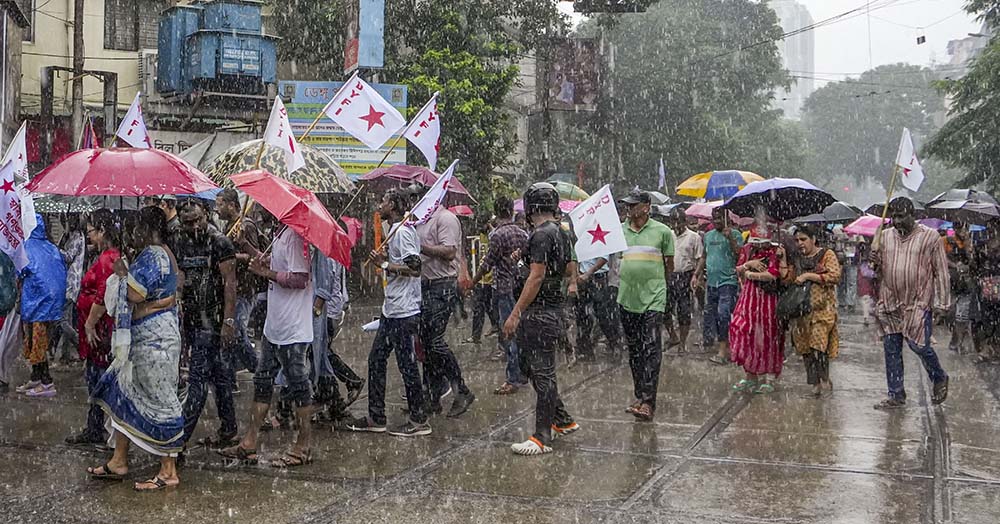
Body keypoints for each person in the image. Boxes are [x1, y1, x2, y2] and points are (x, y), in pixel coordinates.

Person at [86, 206, 184, 491]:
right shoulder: (163, 252)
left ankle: (168, 470)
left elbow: (133, 292)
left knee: (161, 400)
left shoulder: (154, 254)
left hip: (154, 343)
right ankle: (119, 459)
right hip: (149, 339)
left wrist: (120, 272)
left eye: (138, 227)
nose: (134, 232)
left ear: (149, 229)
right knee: (123, 394)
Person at [219, 214, 315, 467]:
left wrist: (265, 272)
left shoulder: (295, 236)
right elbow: (275, 261)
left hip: (293, 327)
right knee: (262, 381)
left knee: (298, 384)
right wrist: (248, 248)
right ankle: (249, 441)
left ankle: (303, 445)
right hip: (275, 326)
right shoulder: (281, 232)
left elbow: (299, 278)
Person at [503, 183, 579, 455]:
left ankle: (541, 436)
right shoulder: (559, 232)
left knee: (542, 372)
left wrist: (515, 313)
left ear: (531, 206)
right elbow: (570, 266)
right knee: (532, 368)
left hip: (539, 312)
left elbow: (536, 277)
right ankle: (560, 419)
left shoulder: (542, 236)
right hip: (550, 311)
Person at [347, 189, 431, 436]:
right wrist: (384, 259)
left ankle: (418, 420)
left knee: (406, 366)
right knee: (376, 360)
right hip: (392, 309)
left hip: (403, 311)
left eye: (383, 201)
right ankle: (377, 417)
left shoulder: (403, 232)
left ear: (393, 205)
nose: (379, 204)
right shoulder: (394, 231)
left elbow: (415, 268)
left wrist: (383, 264)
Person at [871, 197, 950, 410]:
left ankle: (939, 376)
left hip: (918, 301)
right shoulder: (884, 237)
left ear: (912, 215)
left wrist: (943, 304)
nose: (896, 221)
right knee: (891, 348)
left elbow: (941, 272)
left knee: (919, 345)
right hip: (889, 301)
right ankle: (896, 394)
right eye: (893, 216)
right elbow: (876, 271)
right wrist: (874, 262)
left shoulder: (930, 237)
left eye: (900, 216)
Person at [174, 200, 239, 449]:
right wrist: (178, 298)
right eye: (187, 222)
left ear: (206, 215)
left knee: (198, 381)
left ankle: (179, 440)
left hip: (213, 320)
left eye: (198, 220)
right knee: (219, 377)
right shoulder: (181, 239)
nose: (194, 226)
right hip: (192, 318)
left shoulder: (220, 241)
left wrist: (229, 322)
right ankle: (229, 429)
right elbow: (180, 274)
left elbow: (230, 283)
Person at [413, 189, 476, 417]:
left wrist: (419, 247)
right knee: (426, 345)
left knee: (434, 341)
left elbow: (449, 252)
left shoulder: (445, 218)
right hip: (424, 286)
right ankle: (432, 396)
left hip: (442, 286)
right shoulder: (420, 221)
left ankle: (462, 389)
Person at [65, 210, 122, 447]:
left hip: (99, 329)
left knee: (98, 378)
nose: (89, 237)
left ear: (102, 231)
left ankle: (97, 427)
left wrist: (90, 323)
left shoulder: (108, 259)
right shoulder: (112, 257)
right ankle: (96, 425)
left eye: (91, 232)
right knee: (98, 377)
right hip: (102, 327)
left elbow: (104, 294)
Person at [617, 189, 674, 421]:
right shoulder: (620, 231)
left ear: (646, 207)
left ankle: (649, 401)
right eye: (627, 205)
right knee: (635, 350)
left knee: (651, 348)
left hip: (653, 298)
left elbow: (669, 265)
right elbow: (605, 253)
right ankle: (640, 395)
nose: (629, 209)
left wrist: (661, 288)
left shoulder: (663, 232)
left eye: (633, 205)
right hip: (627, 298)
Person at [465, 196, 530, 394]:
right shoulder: (523, 233)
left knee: (508, 332)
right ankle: (523, 372)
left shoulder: (497, 235)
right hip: (521, 288)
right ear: (510, 210)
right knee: (519, 331)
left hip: (504, 289)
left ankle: (513, 378)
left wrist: (472, 282)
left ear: (496, 211)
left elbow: (487, 264)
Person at [785, 224, 841, 398]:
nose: (800, 243)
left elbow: (835, 276)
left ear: (813, 239)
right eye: (797, 240)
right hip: (801, 312)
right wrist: (782, 260)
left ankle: (824, 379)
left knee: (818, 347)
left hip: (822, 311)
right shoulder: (796, 259)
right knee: (806, 350)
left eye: (803, 239)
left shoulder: (826, 255)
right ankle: (815, 384)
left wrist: (810, 276)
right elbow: (788, 279)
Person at [311, 246, 365, 426]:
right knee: (319, 356)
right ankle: (330, 400)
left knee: (321, 354)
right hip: (333, 308)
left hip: (329, 311)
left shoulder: (326, 252)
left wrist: (317, 306)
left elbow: (327, 283)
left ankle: (350, 382)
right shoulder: (334, 250)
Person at [15, 214, 67, 398]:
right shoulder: (52, 248)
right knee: (39, 343)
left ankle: (47, 382)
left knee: (37, 344)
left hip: (36, 303)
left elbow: (20, 272)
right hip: (51, 304)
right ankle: (36, 376)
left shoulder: (26, 248)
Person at [215, 189, 265, 373]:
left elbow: (256, 257)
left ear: (231, 205)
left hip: (244, 288)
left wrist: (233, 255)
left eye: (220, 204)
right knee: (229, 336)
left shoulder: (246, 226)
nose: (217, 209)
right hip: (231, 287)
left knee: (236, 333)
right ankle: (227, 375)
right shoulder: (228, 226)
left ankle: (259, 370)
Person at [729, 233, 783, 394]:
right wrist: (748, 265)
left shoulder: (776, 251)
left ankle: (769, 377)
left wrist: (751, 274)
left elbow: (773, 275)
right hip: (749, 298)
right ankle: (750, 375)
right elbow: (738, 270)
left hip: (768, 300)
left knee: (769, 335)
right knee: (745, 332)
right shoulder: (747, 249)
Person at [694, 207, 743, 365]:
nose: (716, 221)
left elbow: (741, 256)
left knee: (724, 314)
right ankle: (724, 346)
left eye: (720, 218)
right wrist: (696, 275)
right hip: (712, 282)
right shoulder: (708, 236)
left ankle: (724, 350)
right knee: (713, 314)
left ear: (727, 218)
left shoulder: (735, 234)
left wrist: (731, 240)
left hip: (728, 282)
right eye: (714, 218)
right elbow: (704, 256)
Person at [666, 207, 703, 352]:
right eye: (673, 223)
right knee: (665, 310)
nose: (676, 226)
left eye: (678, 223)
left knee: (684, 312)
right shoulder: (668, 235)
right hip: (669, 275)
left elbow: (700, 258)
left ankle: (682, 343)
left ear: (684, 221)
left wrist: (696, 276)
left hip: (685, 276)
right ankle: (672, 336)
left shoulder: (694, 237)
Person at [574, 252, 621, 361]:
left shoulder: (601, 237)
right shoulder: (580, 236)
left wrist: (589, 273)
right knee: (583, 315)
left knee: (603, 314)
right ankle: (585, 350)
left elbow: (604, 258)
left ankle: (614, 345)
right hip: (581, 276)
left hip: (598, 276)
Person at [56, 214, 86, 364]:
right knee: (67, 319)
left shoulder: (77, 236)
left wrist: (55, 250)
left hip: (71, 283)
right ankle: (65, 354)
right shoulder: (69, 235)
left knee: (62, 321)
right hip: (67, 282)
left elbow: (68, 256)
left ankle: (80, 344)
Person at [972, 218, 1000, 362]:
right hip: (984, 287)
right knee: (983, 319)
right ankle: (985, 348)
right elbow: (974, 265)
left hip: (995, 286)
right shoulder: (980, 244)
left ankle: (993, 348)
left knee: (996, 319)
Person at [466, 218, 498, 344]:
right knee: (479, 307)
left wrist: (491, 228)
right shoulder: (480, 237)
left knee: (489, 307)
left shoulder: (495, 236)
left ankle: (496, 327)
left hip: (492, 279)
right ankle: (476, 335)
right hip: (482, 278)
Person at [944, 221, 974, 354]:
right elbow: (941, 258)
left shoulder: (970, 242)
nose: (962, 231)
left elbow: (973, 260)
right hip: (950, 282)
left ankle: (957, 342)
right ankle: (956, 337)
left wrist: (968, 244)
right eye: (959, 228)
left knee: (962, 315)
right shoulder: (946, 240)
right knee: (950, 313)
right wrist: (955, 265)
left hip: (966, 284)